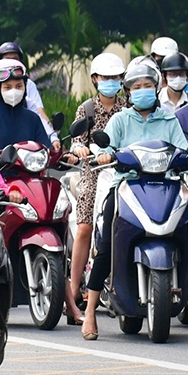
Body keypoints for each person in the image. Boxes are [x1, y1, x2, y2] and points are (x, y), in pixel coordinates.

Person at [81, 57, 188, 337]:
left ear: (156, 87)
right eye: (137, 86)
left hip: (168, 186)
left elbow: (183, 149)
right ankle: (89, 312)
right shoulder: (121, 120)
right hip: (127, 187)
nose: (142, 90)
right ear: (128, 91)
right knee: (107, 245)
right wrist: (105, 154)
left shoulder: (169, 119)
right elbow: (104, 148)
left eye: (148, 85)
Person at [66, 52, 128, 328]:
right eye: (106, 78)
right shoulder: (87, 109)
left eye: (116, 78)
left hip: (125, 173)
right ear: (95, 80)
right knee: (85, 228)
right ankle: (73, 289)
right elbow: (77, 141)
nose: (111, 82)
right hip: (94, 172)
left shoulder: (128, 108)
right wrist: (80, 149)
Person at [0, 58, 55, 152]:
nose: (13, 91)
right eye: (7, 87)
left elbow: (46, 150)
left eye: (19, 86)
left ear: (25, 87)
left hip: (30, 167)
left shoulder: (33, 119)